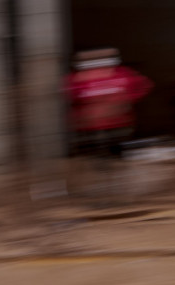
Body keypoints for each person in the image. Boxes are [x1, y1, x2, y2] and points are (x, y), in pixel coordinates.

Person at [65, 47, 153, 200]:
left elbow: (145, 85)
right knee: (96, 162)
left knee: (113, 161)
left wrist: (126, 101)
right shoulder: (78, 79)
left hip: (116, 126)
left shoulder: (122, 74)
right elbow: (67, 94)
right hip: (91, 128)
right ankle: (101, 193)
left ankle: (115, 193)